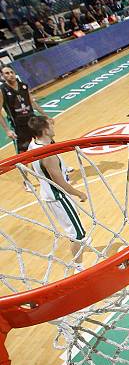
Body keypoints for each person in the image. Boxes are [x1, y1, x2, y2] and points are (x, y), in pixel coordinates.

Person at [27, 116, 87, 272]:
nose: (54, 127)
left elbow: (32, 168)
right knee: (77, 235)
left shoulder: (34, 144)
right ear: (45, 130)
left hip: (51, 194)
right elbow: (60, 183)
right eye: (50, 126)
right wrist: (79, 193)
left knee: (76, 225)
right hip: (58, 196)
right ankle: (78, 268)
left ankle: (78, 252)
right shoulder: (49, 157)